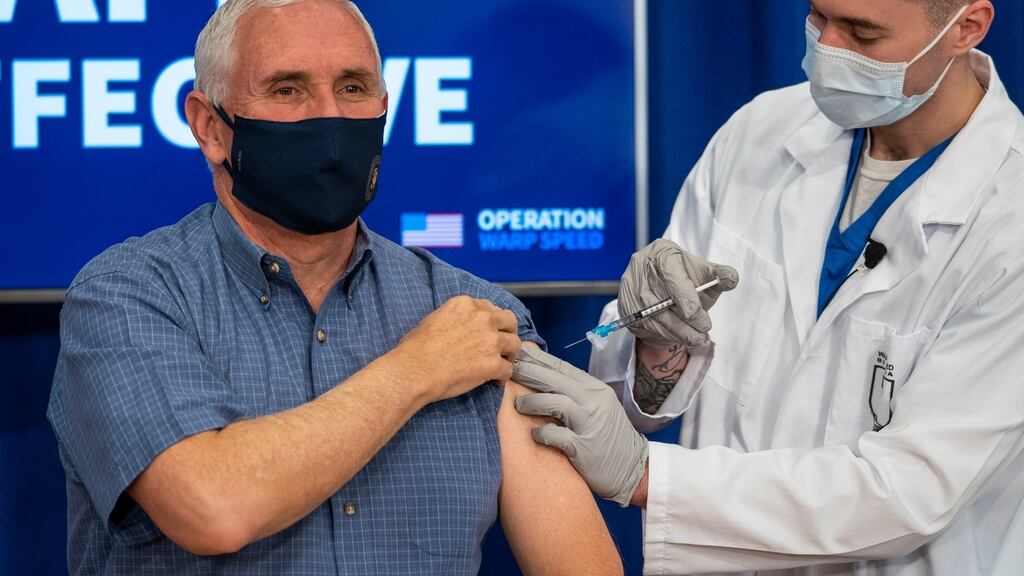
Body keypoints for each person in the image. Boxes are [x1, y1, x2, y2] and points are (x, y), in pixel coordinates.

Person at [45, 1, 623, 574]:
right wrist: (416, 371)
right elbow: (211, 507)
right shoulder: (129, 296)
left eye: (352, 88)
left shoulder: (476, 318)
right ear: (210, 127)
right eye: (287, 89)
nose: (329, 118)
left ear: (384, 107)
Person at [512, 0, 1024, 574]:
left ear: (966, 28)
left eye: (862, 33)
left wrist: (647, 474)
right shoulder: (762, 132)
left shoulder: (1011, 223)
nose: (827, 48)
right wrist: (657, 347)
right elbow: (645, 399)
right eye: (819, 16)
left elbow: (910, 490)